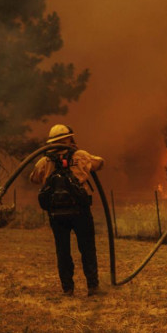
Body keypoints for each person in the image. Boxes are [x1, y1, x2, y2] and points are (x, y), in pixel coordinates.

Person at [29, 124, 104, 296]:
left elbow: (33, 178)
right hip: (80, 211)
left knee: (62, 251)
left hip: (56, 214)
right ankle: (92, 287)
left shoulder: (45, 161)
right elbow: (99, 163)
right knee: (87, 249)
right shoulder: (81, 156)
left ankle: (68, 289)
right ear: (70, 138)